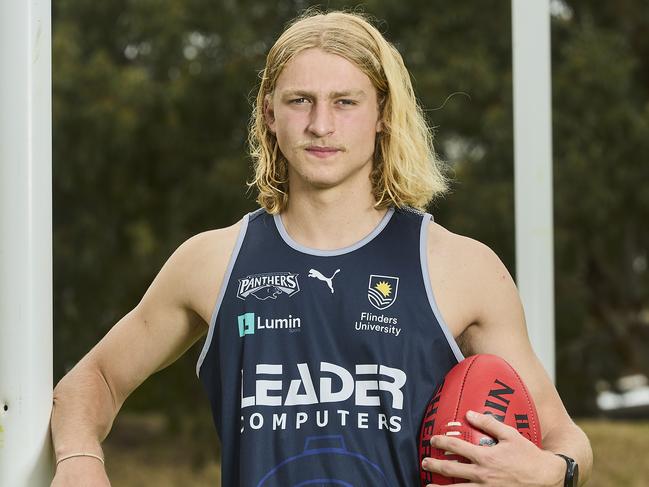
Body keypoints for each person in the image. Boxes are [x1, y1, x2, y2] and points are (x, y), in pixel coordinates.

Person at [50, 8, 593, 487]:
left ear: (382, 114)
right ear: (269, 113)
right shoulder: (212, 262)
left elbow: (564, 437)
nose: (320, 125)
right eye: (300, 101)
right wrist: (79, 459)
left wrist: (551, 471)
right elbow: (92, 380)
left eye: (345, 102)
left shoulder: (460, 267)